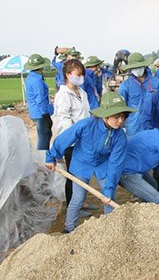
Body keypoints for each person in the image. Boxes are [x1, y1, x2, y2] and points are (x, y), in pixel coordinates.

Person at [45, 92, 136, 233]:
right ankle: (69, 229)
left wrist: (108, 189)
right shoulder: (87, 124)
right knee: (78, 197)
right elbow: (65, 138)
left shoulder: (120, 137)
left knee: (110, 195)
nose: (120, 120)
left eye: (123, 117)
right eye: (116, 116)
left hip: (102, 164)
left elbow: (115, 164)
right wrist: (51, 157)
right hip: (81, 162)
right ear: (106, 115)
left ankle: (109, 229)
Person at [52, 59, 94, 218]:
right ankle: (73, 206)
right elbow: (63, 119)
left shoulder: (81, 93)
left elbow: (86, 114)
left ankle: (80, 202)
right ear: (68, 75)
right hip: (72, 142)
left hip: (85, 140)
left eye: (82, 74)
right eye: (78, 74)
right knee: (73, 175)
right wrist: (76, 134)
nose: (81, 77)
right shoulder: (63, 95)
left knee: (82, 174)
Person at [119, 52, 159, 136]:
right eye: (135, 67)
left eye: (139, 67)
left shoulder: (156, 82)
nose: (137, 69)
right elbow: (122, 108)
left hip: (153, 126)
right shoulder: (125, 86)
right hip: (134, 127)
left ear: (144, 66)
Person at [24, 54, 54, 150]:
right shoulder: (37, 81)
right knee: (44, 136)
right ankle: (43, 159)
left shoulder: (30, 77)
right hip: (41, 113)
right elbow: (40, 100)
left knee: (46, 134)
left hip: (35, 111)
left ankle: (44, 157)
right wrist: (45, 115)